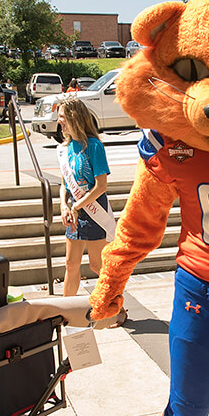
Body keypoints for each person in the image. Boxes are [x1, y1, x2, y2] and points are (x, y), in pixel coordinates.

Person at [57, 99, 124, 325]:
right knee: (70, 264)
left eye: (62, 117)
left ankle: (116, 309)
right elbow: (64, 184)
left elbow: (101, 186)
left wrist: (76, 206)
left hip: (93, 212)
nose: (59, 121)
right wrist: (63, 206)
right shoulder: (66, 148)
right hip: (75, 212)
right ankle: (66, 313)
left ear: (74, 118)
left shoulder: (94, 146)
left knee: (97, 266)